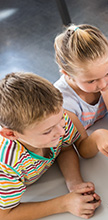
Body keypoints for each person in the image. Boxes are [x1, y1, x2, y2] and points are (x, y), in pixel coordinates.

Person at [0, 72, 101, 219]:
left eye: (61, 119)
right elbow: (5, 214)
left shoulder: (55, 121)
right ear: (11, 134)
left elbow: (65, 148)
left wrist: (74, 183)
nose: (61, 131)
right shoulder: (6, 165)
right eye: (47, 131)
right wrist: (64, 204)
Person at [54, 24, 108, 159]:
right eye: (91, 81)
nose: (103, 83)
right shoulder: (64, 101)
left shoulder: (106, 79)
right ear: (67, 74)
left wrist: (106, 90)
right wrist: (98, 136)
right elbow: (83, 150)